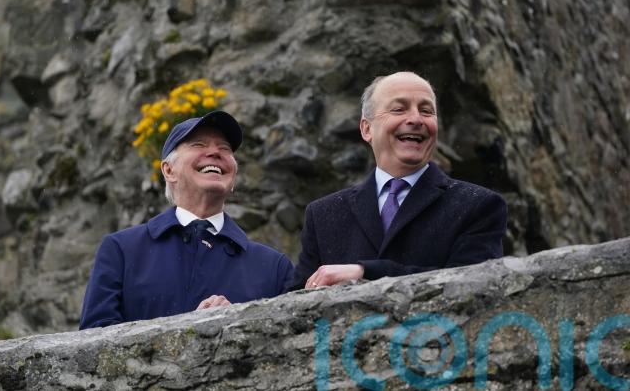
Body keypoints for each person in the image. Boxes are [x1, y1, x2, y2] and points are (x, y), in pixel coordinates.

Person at [289, 71, 507, 290]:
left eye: (426, 111)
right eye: (399, 109)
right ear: (366, 129)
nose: (416, 119)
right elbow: (294, 300)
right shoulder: (323, 215)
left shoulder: (479, 206)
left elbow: (474, 286)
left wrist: (365, 273)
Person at [80, 111, 293, 329]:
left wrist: (237, 326)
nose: (215, 152)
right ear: (169, 170)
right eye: (199, 144)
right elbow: (94, 339)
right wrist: (189, 332)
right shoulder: (122, 250)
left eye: (225, 148)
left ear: (233, 178)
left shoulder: (274, 268)